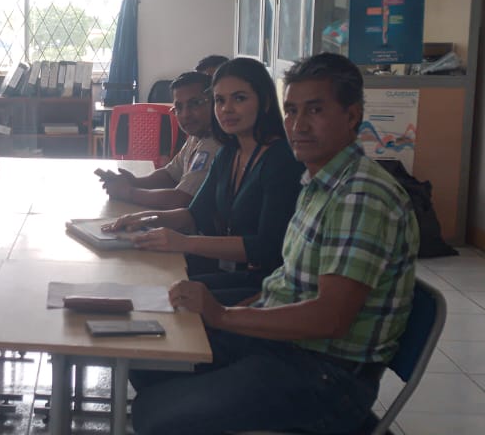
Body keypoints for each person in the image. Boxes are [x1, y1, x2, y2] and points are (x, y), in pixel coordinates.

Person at [129, 53, 420, 435]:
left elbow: (330, 318)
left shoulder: (360, 196)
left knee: (154, 414)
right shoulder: (319, 182)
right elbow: (288, 281)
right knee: (148, 356)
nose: (298, 124)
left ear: (352, 116)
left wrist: (222, 315)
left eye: (315, 110)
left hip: (325, 376)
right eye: (292, 111)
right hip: (287, 345)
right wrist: (238, 311)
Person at [109, 58, 304, 305]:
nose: (227, 109)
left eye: (239, 98)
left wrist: (184, 242)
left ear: (264, 101)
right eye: (220, 100)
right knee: (147, 280)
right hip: (229, 270)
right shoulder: (229, 152)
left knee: (168, 298)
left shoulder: (281, 160)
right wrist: (146, 219)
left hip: (264, 284)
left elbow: (266, 247)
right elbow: (194, 214)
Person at [97, 71, 220, 210]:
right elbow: (170, 175)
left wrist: (129, 192)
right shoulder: (196, 136)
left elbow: (182, 199)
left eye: (195, 103)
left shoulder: (214, 143)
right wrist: (135, 182)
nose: (185, 114)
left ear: (214, 102)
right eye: (179, 107)